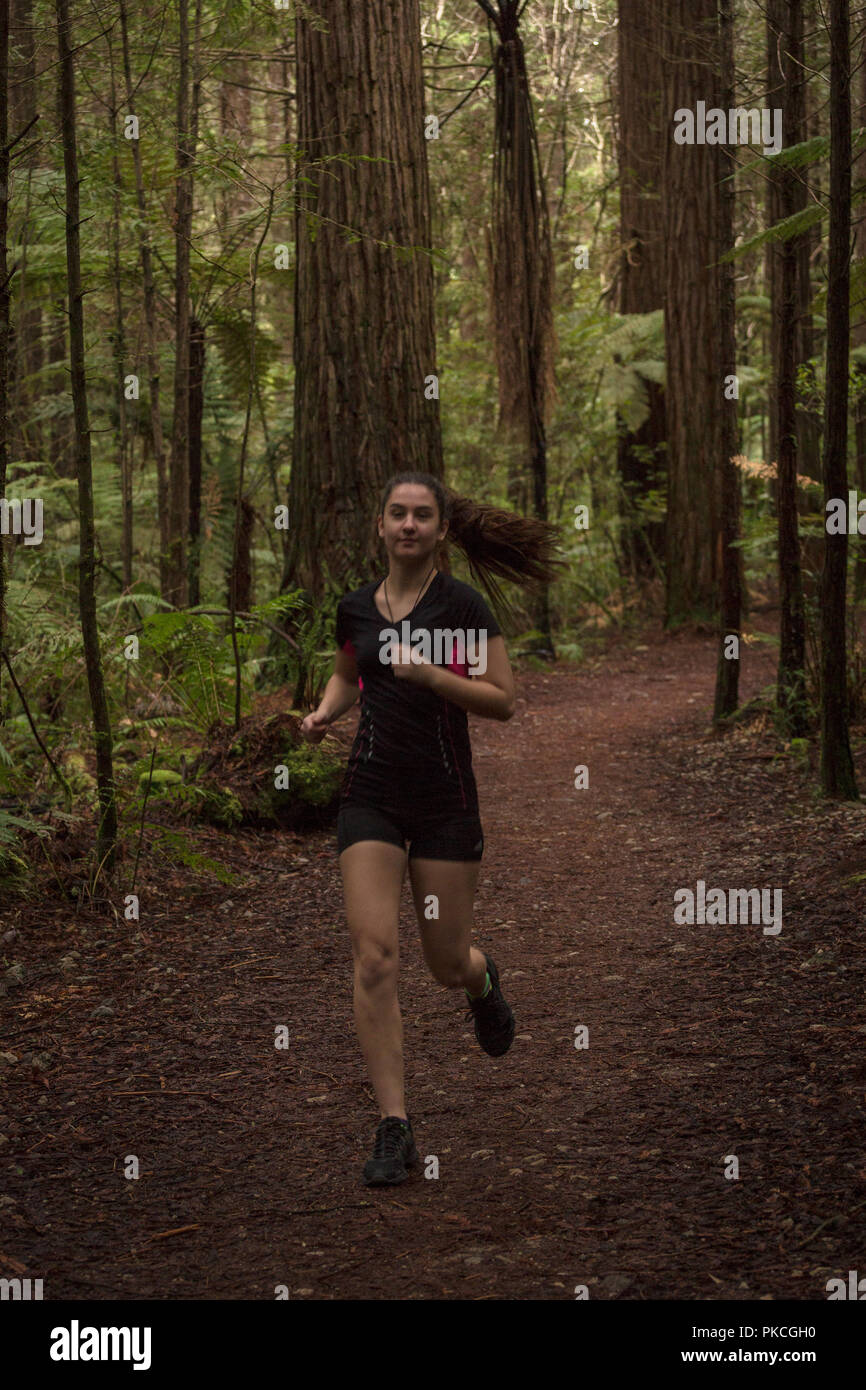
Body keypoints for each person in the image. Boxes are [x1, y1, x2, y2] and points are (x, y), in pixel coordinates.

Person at [300, 471, 562, 1186]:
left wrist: (432, 677)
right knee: (376, 955)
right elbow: (349, 676)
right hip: (371, 797)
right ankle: (395, 1127)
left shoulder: (463, 608)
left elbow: (504, 702)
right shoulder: (356, 608)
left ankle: (481, 981)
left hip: (446, 802)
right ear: (380, 527)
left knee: (443, 964)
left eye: (422, 516)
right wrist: (326, 712)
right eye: (397, 514)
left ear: (441, 530)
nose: (409, 525)